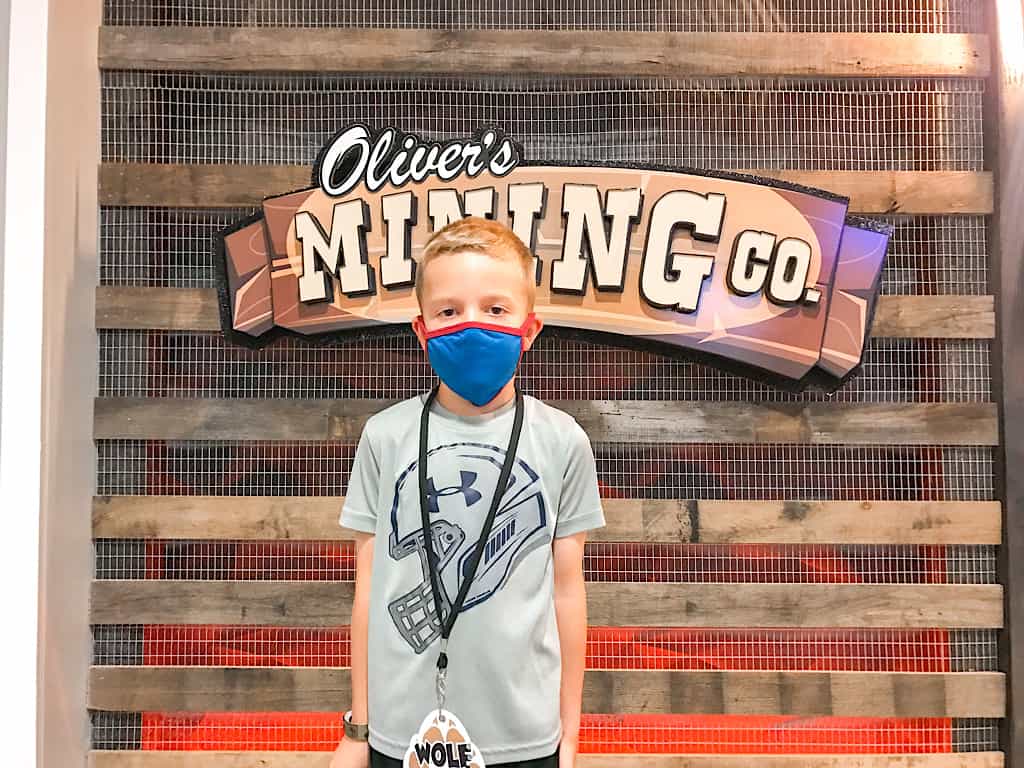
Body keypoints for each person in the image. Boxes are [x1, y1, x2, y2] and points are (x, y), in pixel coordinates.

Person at [330, 215, 606, 768]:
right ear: (421, 328)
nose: (472, 325)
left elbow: (568, 595)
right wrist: (358, 729)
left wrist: (569, 736)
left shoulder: (562, 441)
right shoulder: (385, 436)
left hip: (526, 734)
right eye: (450, 311)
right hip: (399, 732)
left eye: (496, 309)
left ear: (529, 329)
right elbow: (369, 589)